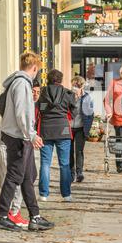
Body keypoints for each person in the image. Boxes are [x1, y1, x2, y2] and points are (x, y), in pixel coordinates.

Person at [0, 52, 54, 232]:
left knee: (27, 177)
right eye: (38, 71)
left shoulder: (18, 82)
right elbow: (22, 112)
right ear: (34, 68)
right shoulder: (21, 83)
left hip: (20, 135)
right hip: (18, 136)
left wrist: (30, 133)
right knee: (14, 176)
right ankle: (2, 216)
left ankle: (35, 216)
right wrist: (31, 134)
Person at [0, 80, 42, 228]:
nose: (35, 95)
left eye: (38, 93)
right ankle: (6, 215)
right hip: (9, 143)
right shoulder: (18, 102)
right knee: (12, 179)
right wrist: (31, 136)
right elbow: (21, 121)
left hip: (23, 142)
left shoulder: (31, 105)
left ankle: (30, 215)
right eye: (33, 92)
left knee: (27, 177)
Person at [38, 69, 77, 202]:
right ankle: (66, 194)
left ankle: (43, 194)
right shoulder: (67, 93)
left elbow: (40, 110)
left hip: (46, 130)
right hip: (63, 129)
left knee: (45, 163)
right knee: (64, 164)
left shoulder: (42, 92)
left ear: (48, 79)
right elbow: (74, 111)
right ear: (61, 79)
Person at [104, 65, 122, 173]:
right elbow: (106, 100)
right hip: (118, 117)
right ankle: (120, 164)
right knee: (120, 141)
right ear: (120, 74)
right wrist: (109, 112)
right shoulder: (114, 83)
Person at [70, 76, 94, 183]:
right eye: (74, 85)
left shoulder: (87, 97)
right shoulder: (67, 96)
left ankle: (79, 173)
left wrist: (87, 129)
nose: (76, 87)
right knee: (69, 151)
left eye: (78, 85)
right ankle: (71, 173)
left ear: (82, 86)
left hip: (80, 128)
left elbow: (90, 115)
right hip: (69, 127)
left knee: (79, 151)